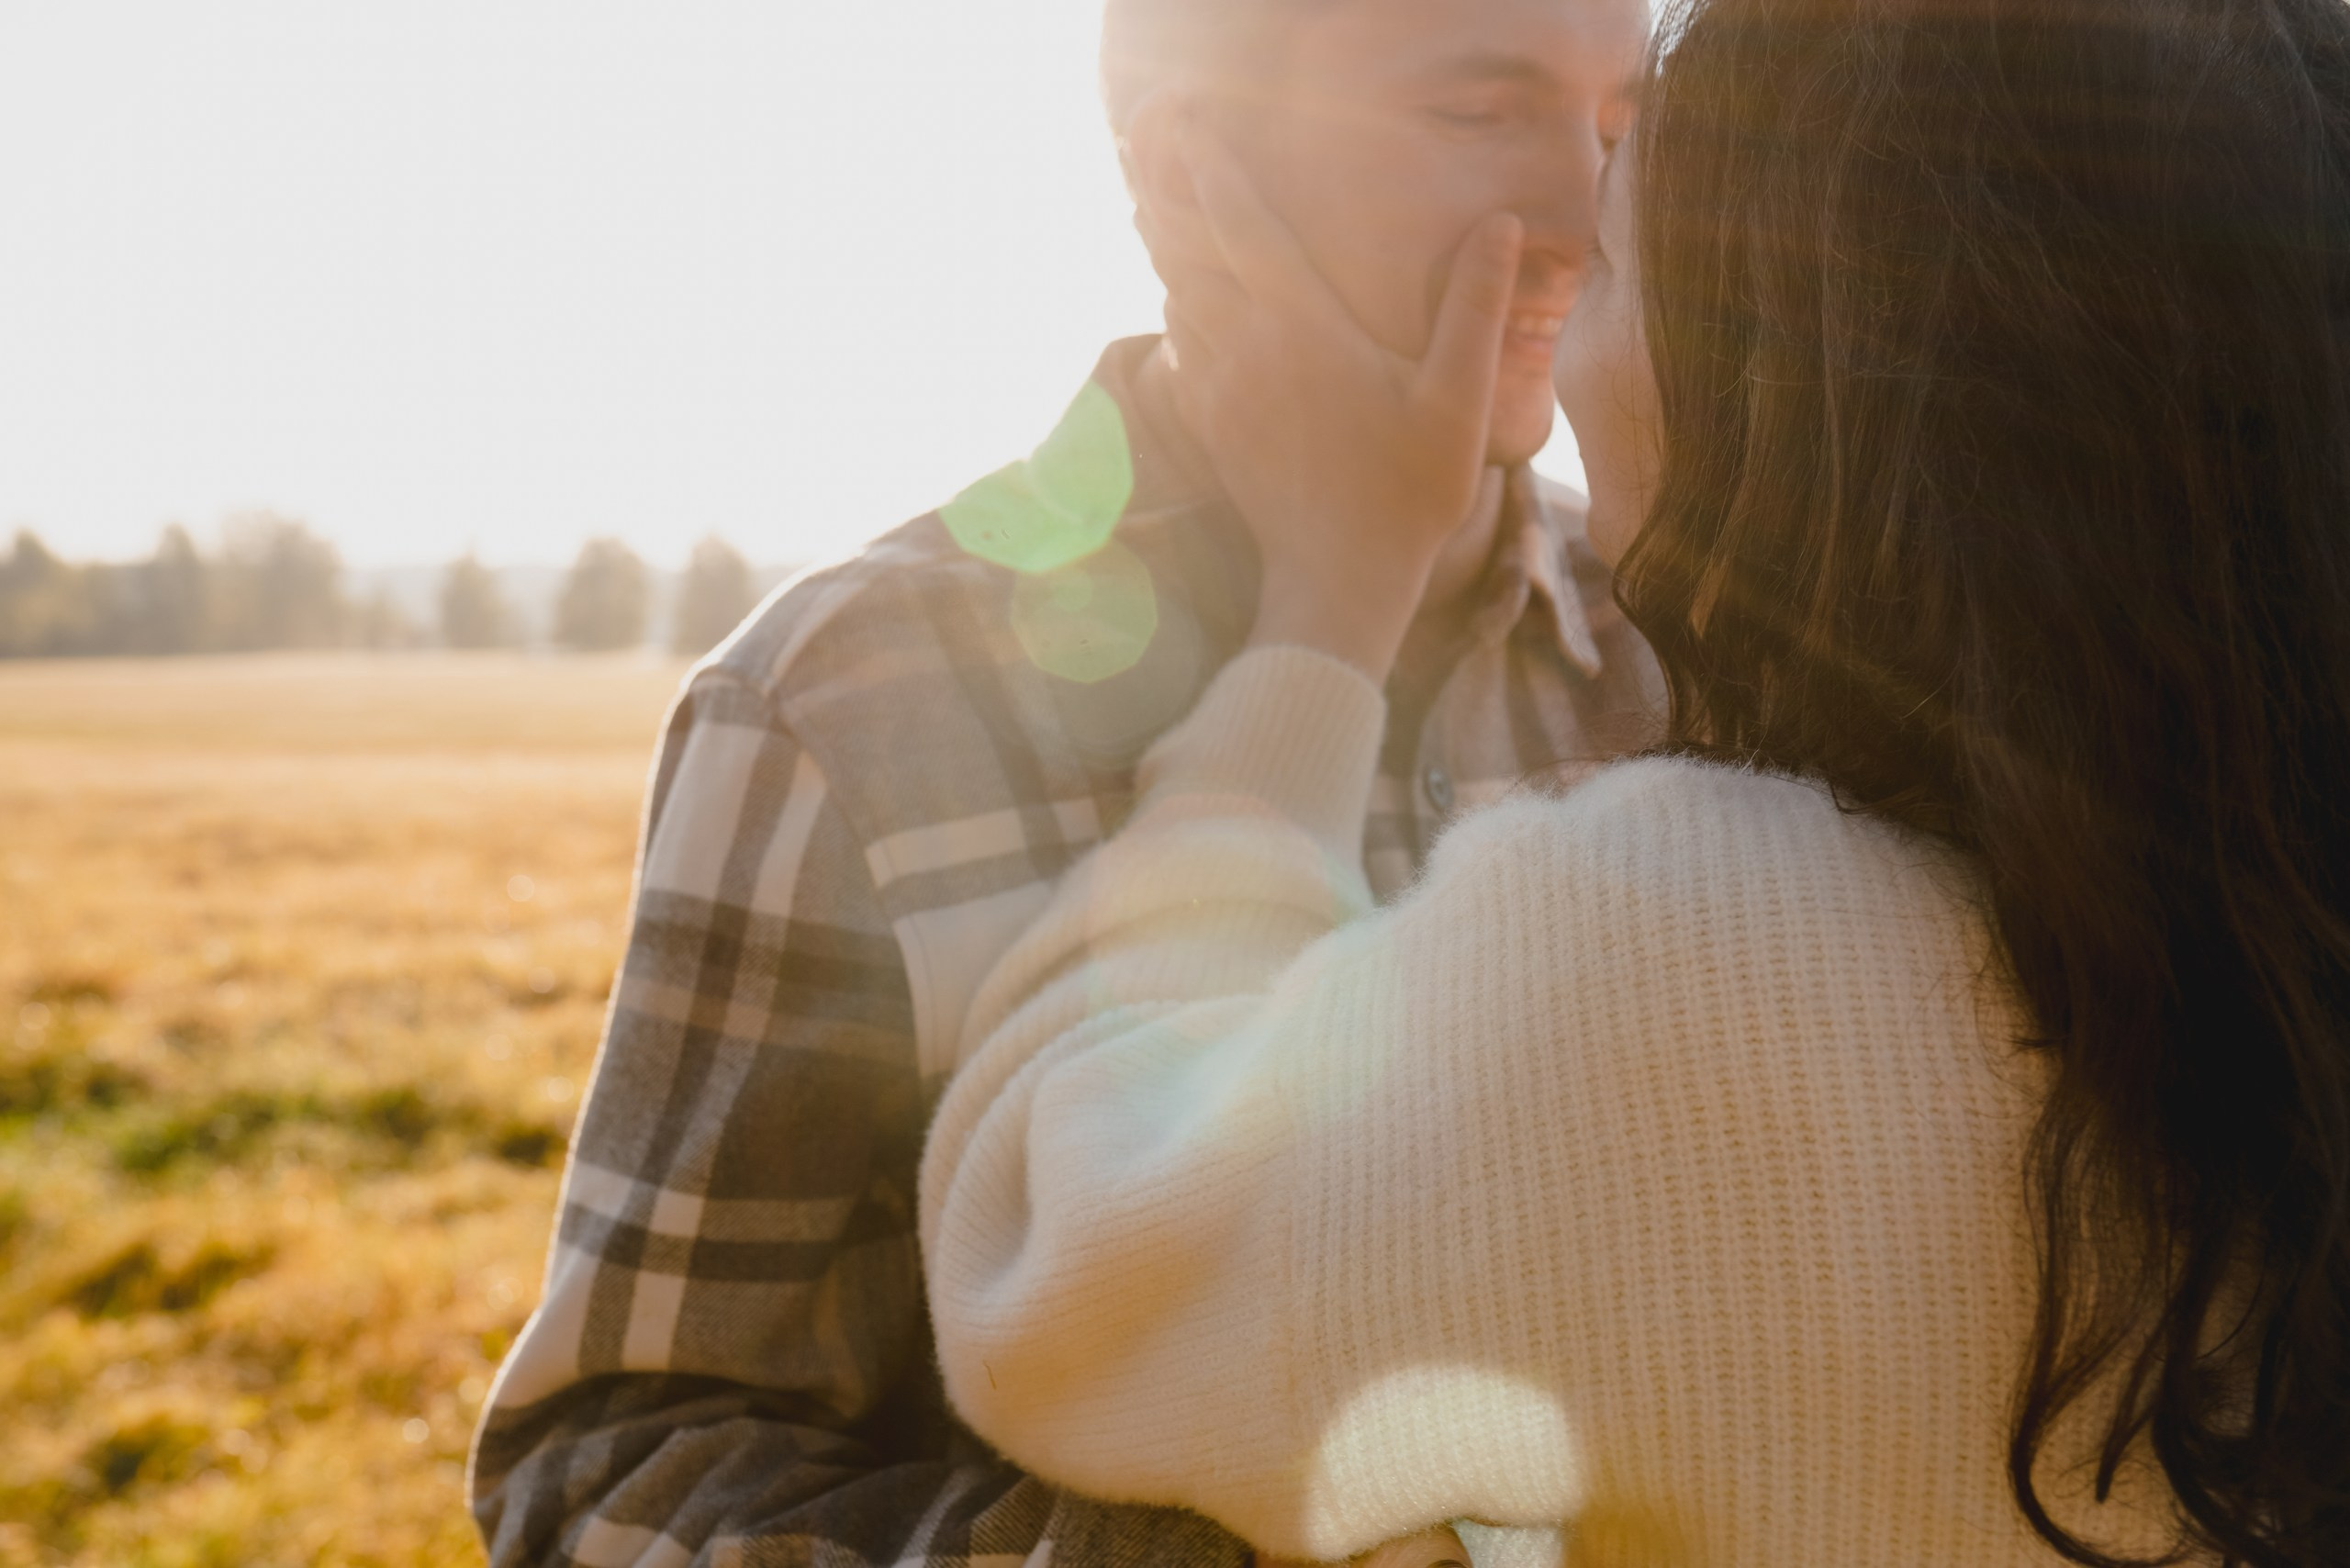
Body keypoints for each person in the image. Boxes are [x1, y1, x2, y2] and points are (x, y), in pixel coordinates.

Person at [918, 0, 2350, 1560]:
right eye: (1481, 113)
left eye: (1612, 237)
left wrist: (1326, 608)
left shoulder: (1679, 962)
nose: (1547, 239)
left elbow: (1054, 1259)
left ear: (1787, 383)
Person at [466, 2, 1657, 1563]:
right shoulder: (840, 701)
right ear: (1190, 170)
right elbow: (601, 1478)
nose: (1590, 216)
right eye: (1478, 114)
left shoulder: (1685, 642)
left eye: (1624, 131)